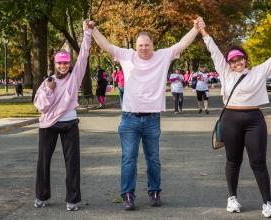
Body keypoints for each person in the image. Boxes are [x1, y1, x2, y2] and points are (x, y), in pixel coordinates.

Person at [196, 17, 271, 218]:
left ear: (245, 59)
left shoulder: (258, 72)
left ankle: (268, 203)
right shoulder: (225, 73)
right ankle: (232, 198)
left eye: (239, 59)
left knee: (258, 162)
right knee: (233, 161)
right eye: (232, 60)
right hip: (231, 119)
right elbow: (214, 51)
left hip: (254, 120)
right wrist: (204, 32)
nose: (236, 63)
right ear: (228, 63)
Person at [91, 18, 200, 210]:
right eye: (140, 45)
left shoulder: (163, 56)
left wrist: (195, 28)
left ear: (153, 45)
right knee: (128, 159)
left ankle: (155, 191)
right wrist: (93, 30)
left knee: (153, 158)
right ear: (135, 46)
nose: (143, 48)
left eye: (147, 45)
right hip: (129, 118)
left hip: (151, 119)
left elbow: (182, 43)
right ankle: (128, 195)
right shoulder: (126, 55)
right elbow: (106, 45)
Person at [33, 20, 94, 211]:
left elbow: (83, 56)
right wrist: (49, 91)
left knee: (72, 164)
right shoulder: (47, 82)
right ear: (55, 63)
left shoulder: (74, 78)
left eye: (66, 62)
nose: (63, 66)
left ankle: (73, 200)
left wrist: (87, 33)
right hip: (48, 126)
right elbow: (40, 106)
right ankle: (41, 196)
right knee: (43, 162)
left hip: (69, 124)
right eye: (60, 63)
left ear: (69, 63)